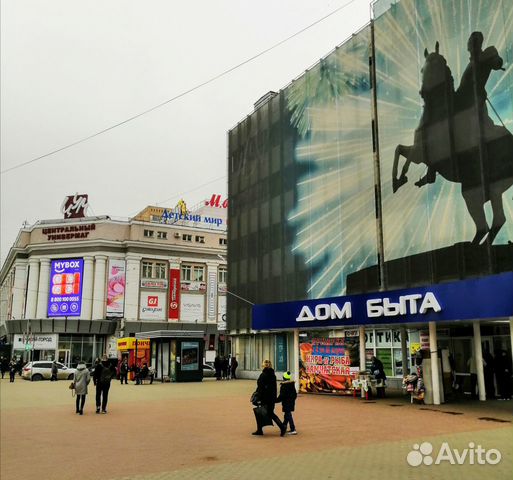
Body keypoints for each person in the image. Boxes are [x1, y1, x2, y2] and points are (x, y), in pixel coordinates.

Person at [252, 360, 286, 436]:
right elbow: (274, 388)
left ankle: (282, 427)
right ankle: (260, 430)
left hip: (264, 398)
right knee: (270, 413)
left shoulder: (263, 375)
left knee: (260, 413)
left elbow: (260, 388)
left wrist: (258, 398)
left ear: (263, 366)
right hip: (271, 398)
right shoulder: (273, 375)